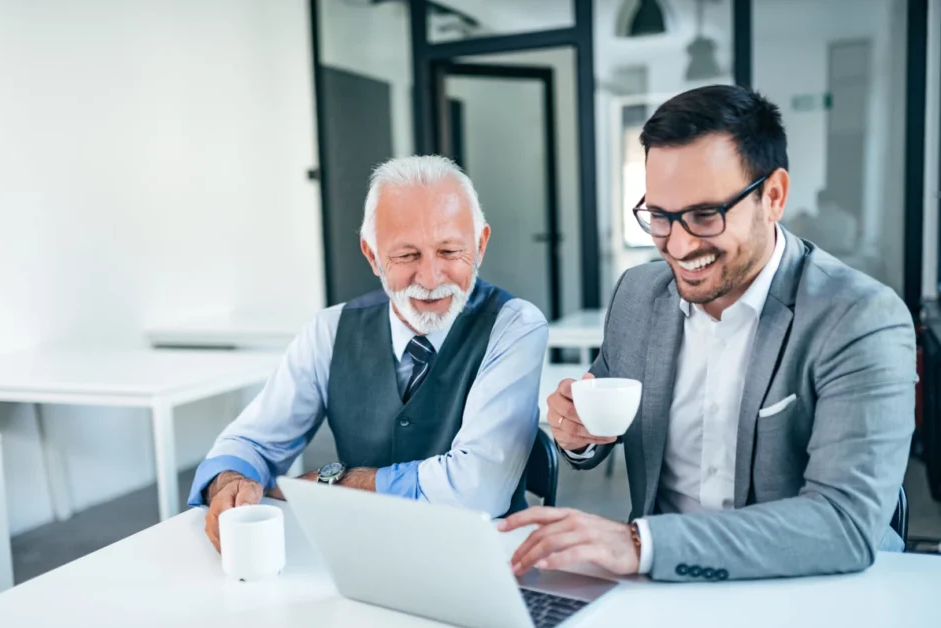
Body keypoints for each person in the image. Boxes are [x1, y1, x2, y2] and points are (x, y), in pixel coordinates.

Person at [501, 85, 916, 582]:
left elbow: (845, 524)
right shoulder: (638, 293)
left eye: (704, 215)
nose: (677, 245)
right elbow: (602, 412)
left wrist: (640, 543)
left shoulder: (859, 318)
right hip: (664, 588)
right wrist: (578, 433)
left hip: (811, 591)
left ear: (773, 197)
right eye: (659, 216)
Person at [189, 155, 548, 551]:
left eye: (449, 252)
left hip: (485, 559)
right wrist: (230, 481)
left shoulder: (514, 327)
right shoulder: (328, 331)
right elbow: (252, 443)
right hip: (360, 554)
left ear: (480, 244)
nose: (430, 278)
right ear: (372, 255)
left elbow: (476, 488)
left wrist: (335, 482)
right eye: (407, 256)